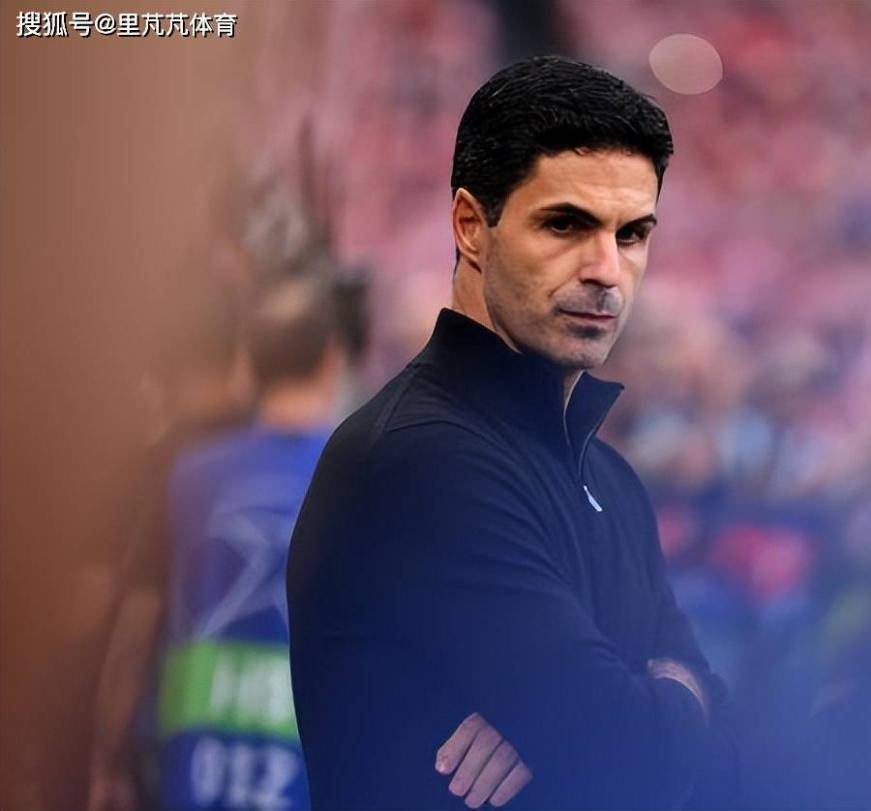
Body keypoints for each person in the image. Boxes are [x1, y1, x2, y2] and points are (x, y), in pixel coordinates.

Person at [287, 56, 738, 810]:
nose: (606, 270)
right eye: (565, 224)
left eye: (632, 234)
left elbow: (726, 763)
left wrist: (644, 699)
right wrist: (668, 686)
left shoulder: (612, 479)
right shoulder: (418, 459)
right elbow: (627, 757)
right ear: (471, 226)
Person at [154, 273, 345, 811]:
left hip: (193, 765)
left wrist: (110, 754)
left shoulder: (188, 475)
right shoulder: (365, 477)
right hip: (308, 776)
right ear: (331, 361)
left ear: (249, 365)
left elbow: (139, 619)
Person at [88, 283, 253, 811]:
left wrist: (106, 756)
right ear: (240, 354)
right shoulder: (275, 458)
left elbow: (131, 623)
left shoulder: (150, 471)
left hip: (168, 749)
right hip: (265, 754)